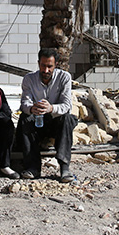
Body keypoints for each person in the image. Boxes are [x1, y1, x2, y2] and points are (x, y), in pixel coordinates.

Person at [18, 48, 77, 183]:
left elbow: (67, 105)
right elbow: (24, 103)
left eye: (49, 66)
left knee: (67, 118)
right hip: (37, 121)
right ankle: (32, 167)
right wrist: (32, 108)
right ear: (38, 63)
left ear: (55, 65)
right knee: (24, 119)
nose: (46, 70)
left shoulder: (64, 77)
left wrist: (51, 108)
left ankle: (64, 167)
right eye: (43, 66)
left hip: (56, 121)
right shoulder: (29, 79)